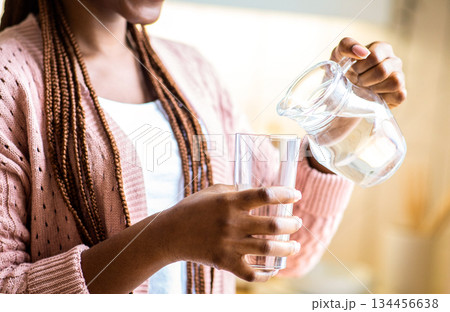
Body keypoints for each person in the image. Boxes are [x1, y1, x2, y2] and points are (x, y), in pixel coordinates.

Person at [0, 0, 406, 294]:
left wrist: (338, 124)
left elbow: (287, 254)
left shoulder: (193, 70)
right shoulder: (10, 77)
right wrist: (164, 238)